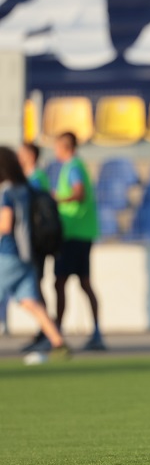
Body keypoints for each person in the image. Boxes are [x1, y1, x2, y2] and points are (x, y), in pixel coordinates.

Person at [0, 147, 70, 363]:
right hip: (29, 255)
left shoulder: (8, 191)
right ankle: (58, 343)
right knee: (30, 301)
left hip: (8, 253)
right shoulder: (28, 188)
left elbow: (5, 225)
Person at [51, 132, 104, 351]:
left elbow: (79, 193)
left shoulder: (72, 167)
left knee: (60, 282)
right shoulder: (77, 166)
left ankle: (56, 332)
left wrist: (56, 198)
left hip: (73, 235)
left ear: (64, 147)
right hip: (82, 233)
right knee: (83, 283)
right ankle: (96, 331)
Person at [18, 142, 53, 352]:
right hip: (28, 243)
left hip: (34, 243)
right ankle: (46, 332)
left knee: (36, 288)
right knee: (35, 288)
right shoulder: (29, 178)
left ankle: (47, 333)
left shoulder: (36, 179)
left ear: (30, 155)